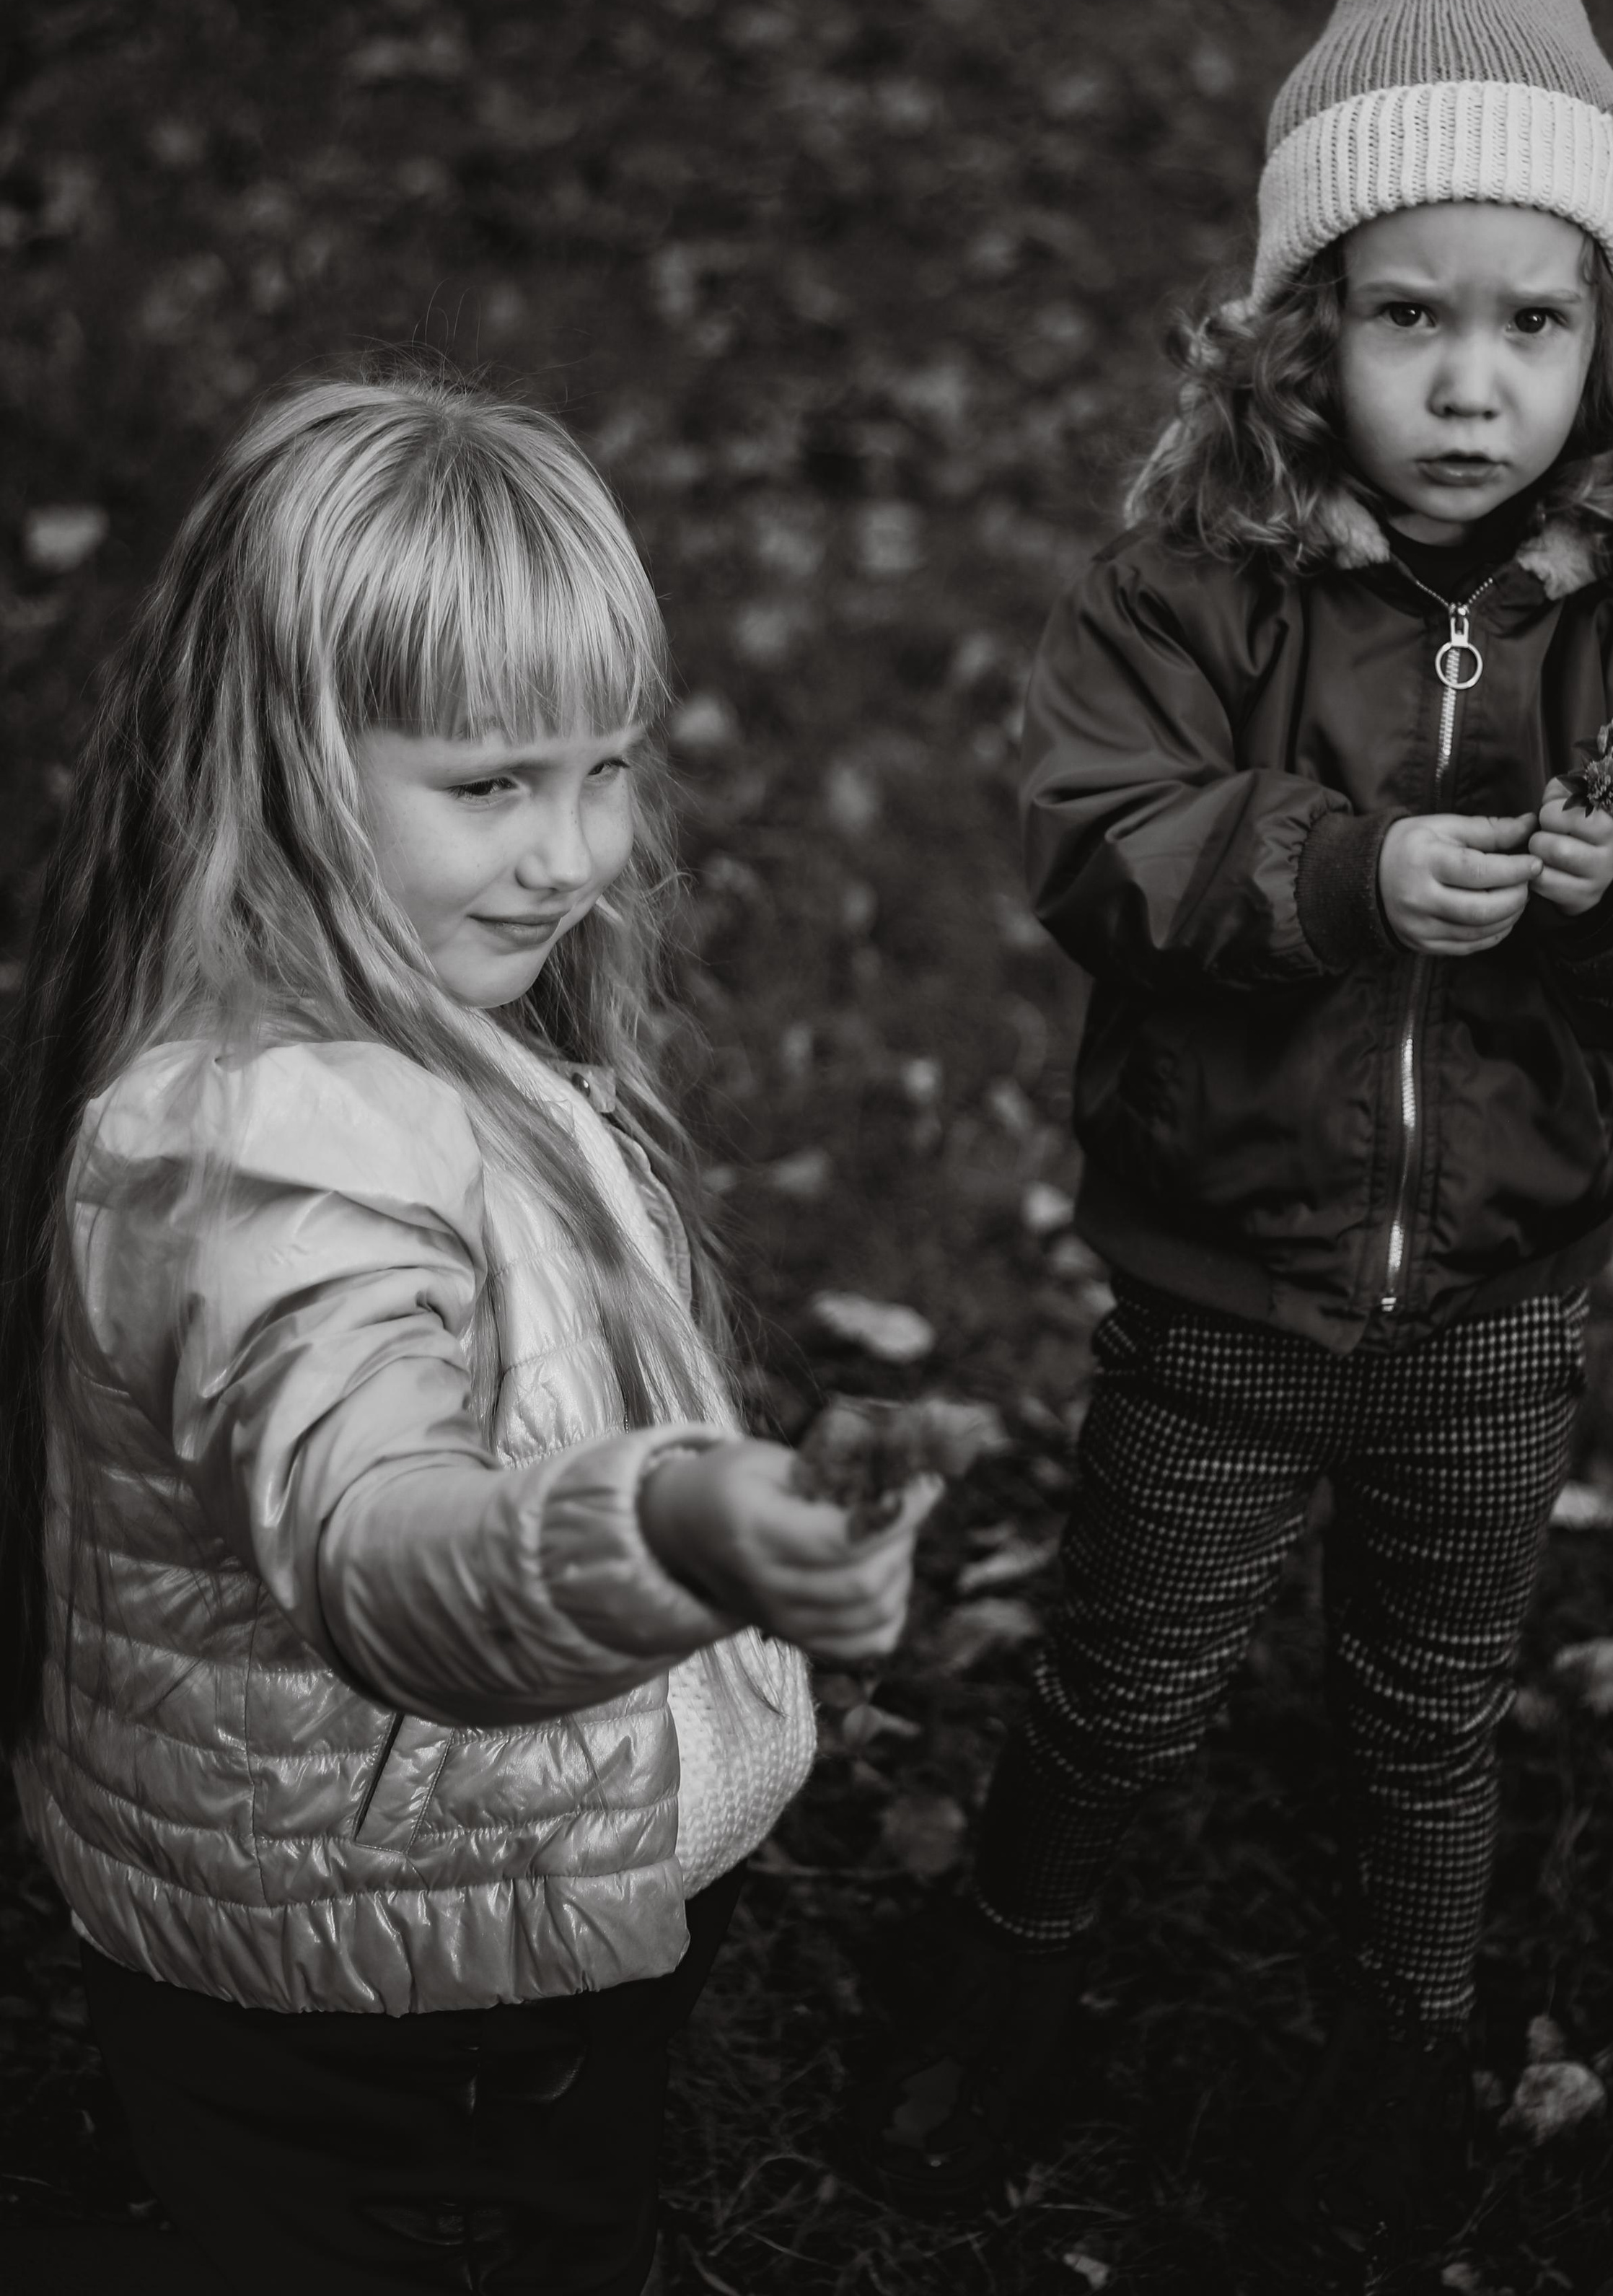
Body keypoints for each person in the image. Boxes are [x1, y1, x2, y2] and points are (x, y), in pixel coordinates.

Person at [850, 0, 1613, 2256]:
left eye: (1535, 320)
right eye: (1410, 318)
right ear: (1307, 324)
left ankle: (1392, 2050)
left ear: (1605, 342)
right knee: (1130, 1680)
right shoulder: (1204, 585)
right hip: (1226, 1285)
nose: (1471, 384)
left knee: (1428, 1702)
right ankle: (1008, 1982)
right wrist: (1343, 863)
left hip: (1496, 1297)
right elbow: (1096, 831)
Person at [0, 372, 939, 2296]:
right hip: (390, 2007)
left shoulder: (409, 1032)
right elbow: (379, 1547)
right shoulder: (270, 1148)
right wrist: (665, 1530)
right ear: (282, 766)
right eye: (493, 786)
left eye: (605, 768)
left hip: (441, 1931)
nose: (579, 852)